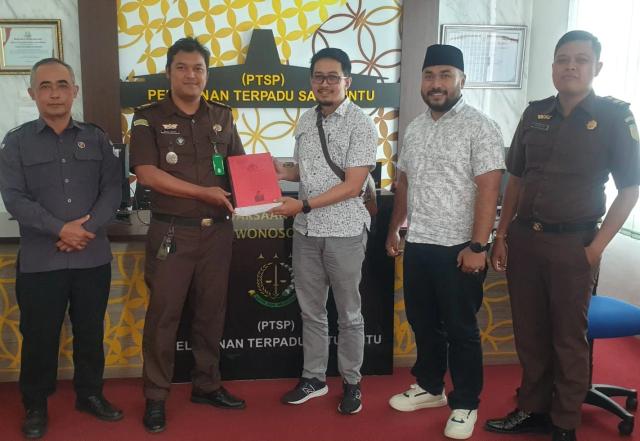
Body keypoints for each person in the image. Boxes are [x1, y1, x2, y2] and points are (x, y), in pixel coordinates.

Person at [484, 30, 640, 441]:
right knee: (530, 333)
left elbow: (630, 189)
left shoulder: (614, 117)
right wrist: (502, 235)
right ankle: (532, 409)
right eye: (563, 59)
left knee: (568, 338)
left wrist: (595, 249)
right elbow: (516, 179)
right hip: (526, 241)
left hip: (575, 245)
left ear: (597, 67)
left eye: (581, 60)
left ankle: (565, 423)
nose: (571, 66)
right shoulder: (535, 113)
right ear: (553, 66)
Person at [385, 44, 504, 440]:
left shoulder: (480, 126)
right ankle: (430, 387)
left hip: (460, 248)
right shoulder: (415, 128)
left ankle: (465, 402)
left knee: (461, 329)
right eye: (429, 75)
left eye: (445, 75)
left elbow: (489, 188)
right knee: (422, 323)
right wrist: (395, 228)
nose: (436, 83)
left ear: (461, 80)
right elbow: (404, 183)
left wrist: (478, 246)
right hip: (419, 242)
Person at [0, 58, 123, 439]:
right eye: (45, 86)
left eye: (62, 85)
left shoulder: (96, 138)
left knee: (90, 332)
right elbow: (13, 197)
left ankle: (90, 394)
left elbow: (113, 189)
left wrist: (85, 229)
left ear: (74, 91)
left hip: (91, 256)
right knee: (40, 336)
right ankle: (36, 404)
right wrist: (60, 229)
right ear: (32, 93)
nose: (55, 93)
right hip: (42, 260)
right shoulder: (16, 142)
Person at [129, 37, 246, 433]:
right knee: (163, 317)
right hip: (172, 234)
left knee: (211, 314)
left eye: (198, 68)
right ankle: (156, 396)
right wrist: (202, 193)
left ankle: (207, 385)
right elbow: (147, 174)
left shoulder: (222, 116)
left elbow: (240, 168)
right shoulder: (147, 118)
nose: (191, 75)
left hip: (217, 234)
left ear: (206, 74)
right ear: (169, 72)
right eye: (182, 67)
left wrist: (267, 189)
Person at [271, 47, 377, 415]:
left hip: (345, 231)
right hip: (306, 232)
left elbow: (352, 185)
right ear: (311, 81)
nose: (325, 83)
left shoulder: (361, 124)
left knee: (349, 314)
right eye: (319, 76)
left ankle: (352, 382)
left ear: (347, 81)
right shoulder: (305, 120)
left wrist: (302, 205)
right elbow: (307, 170)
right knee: (311, 311)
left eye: (333, 77)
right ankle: (314, 378)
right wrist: (282, 172)